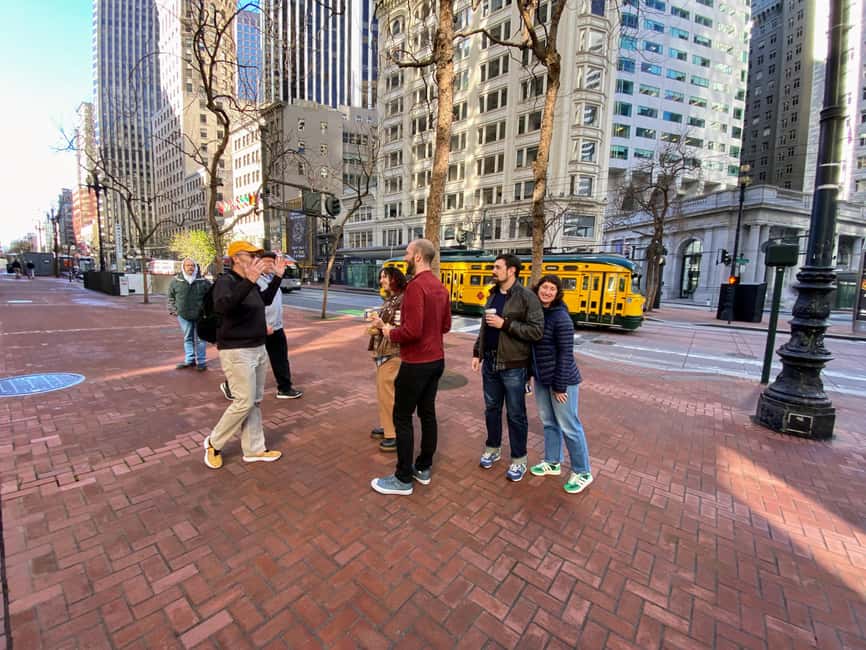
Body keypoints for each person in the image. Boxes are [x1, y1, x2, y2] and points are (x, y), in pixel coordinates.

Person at [370, 239, 451, 495]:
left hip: (416, 362)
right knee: (427, 413)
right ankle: (423, 467)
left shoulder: (416, 287)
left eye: (407, 253)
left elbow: (412, 331)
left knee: (402, 417)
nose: (404, 257)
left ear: (417, 256)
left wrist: (387, 331)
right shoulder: (440, 286)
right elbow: (446, 326)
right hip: (436, 360)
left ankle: (403, 478)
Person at [203, 241, 287, 469]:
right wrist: (249, 280)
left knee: (255, 402)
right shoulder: (225, 282)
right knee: (244, 401)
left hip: (258, 347)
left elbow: (266, 299)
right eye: (251, 255)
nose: (256, 259)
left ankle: (254, 449)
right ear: (237, 258)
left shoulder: (249, 283)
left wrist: (277, 277)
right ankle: (213, 442)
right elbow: (224, 307)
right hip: (236, 351)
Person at [472, 254, 544, 482]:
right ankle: (493, 448)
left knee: (516, 414)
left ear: (511, 271)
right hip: (490, 362)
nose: (493, 271)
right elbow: (484, 326)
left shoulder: (526, 297)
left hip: (513, 366)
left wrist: (506, 324)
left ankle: (519, 459)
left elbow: (536, 331)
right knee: (491, 409)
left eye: (497, 267)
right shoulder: (492, 294)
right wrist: (477, 352)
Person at [529, 275, 593, 494]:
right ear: (538, 289)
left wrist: (560, 386)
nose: (547, 292)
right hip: (542, 379)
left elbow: (566, 353)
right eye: (544, 287)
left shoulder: (561, 317)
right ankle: (552, 462)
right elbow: (534, 350)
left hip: (562, 380)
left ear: (557, 294)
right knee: (548, 422)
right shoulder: (537, 314)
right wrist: (531, 375)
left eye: (552, 289)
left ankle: (583, 471)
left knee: (569, 425)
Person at [219, 252, 303, 401]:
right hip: (259, 328)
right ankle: (230, 384)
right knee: (251, 362)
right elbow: (249, 305)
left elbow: (271, 300)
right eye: (266, 262)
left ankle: (285, 388)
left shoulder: (272, 278)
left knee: (280, 359)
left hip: (276, 327)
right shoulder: (251, 280)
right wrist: (262, 326)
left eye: (273, 262)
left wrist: (278, 276)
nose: (270, 265)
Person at [367, 266, 407, 452]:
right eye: (381, 277)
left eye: (384, 277)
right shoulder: (391, 299)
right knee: (384, 392)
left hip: (393, 353)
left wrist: (381, 324)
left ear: (394, 279)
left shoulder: (401, 300)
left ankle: (394, 434)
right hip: (385, 351)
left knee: (388, 393)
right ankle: (387, 426)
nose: (381, 280)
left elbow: (399, 328)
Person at [168, 258, 212, 371]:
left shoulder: (203, 281)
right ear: (183, 267)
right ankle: (190, 360)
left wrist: (208, 311)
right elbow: (171, 297)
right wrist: (174, 310)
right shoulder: (176, 281)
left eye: (192, 265)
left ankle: (201, 362)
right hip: (183, 315)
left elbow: (211, 297)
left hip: (200, 315)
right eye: (187, 265)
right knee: (188, 338)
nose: (190, 267)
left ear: (195, 267)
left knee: (200, 338)